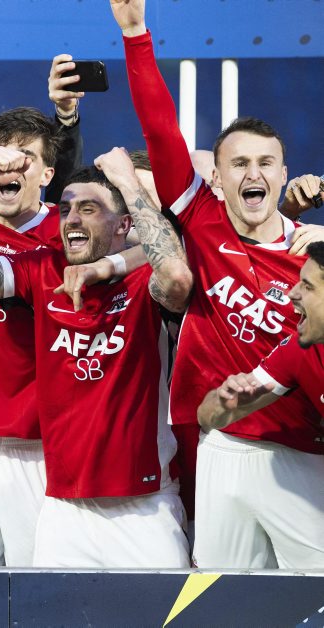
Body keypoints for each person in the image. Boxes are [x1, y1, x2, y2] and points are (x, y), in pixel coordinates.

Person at [111, 0, 324, 568]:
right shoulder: (202, 220)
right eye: (239, 164)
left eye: (266, 163)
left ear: (283, 173)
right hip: (219, 445)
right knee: (217, 591)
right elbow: (160, 129)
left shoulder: (315, 258)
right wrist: (135, 33)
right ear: (218, 177)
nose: (253, 174)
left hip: (302, 452)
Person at [0, 147, 193, 568]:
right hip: (62, 508)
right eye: (66, 209)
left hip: (144, 504)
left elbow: (176, 271)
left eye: (89, 209)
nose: (72, 220)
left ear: (124, 224)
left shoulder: (146, 280)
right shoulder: (41, 268)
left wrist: (127, 185)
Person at [195, 242, 324, 566]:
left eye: (307, 287)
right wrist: (225, 401)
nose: (292, 294)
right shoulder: (299, 350)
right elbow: (208, 417)